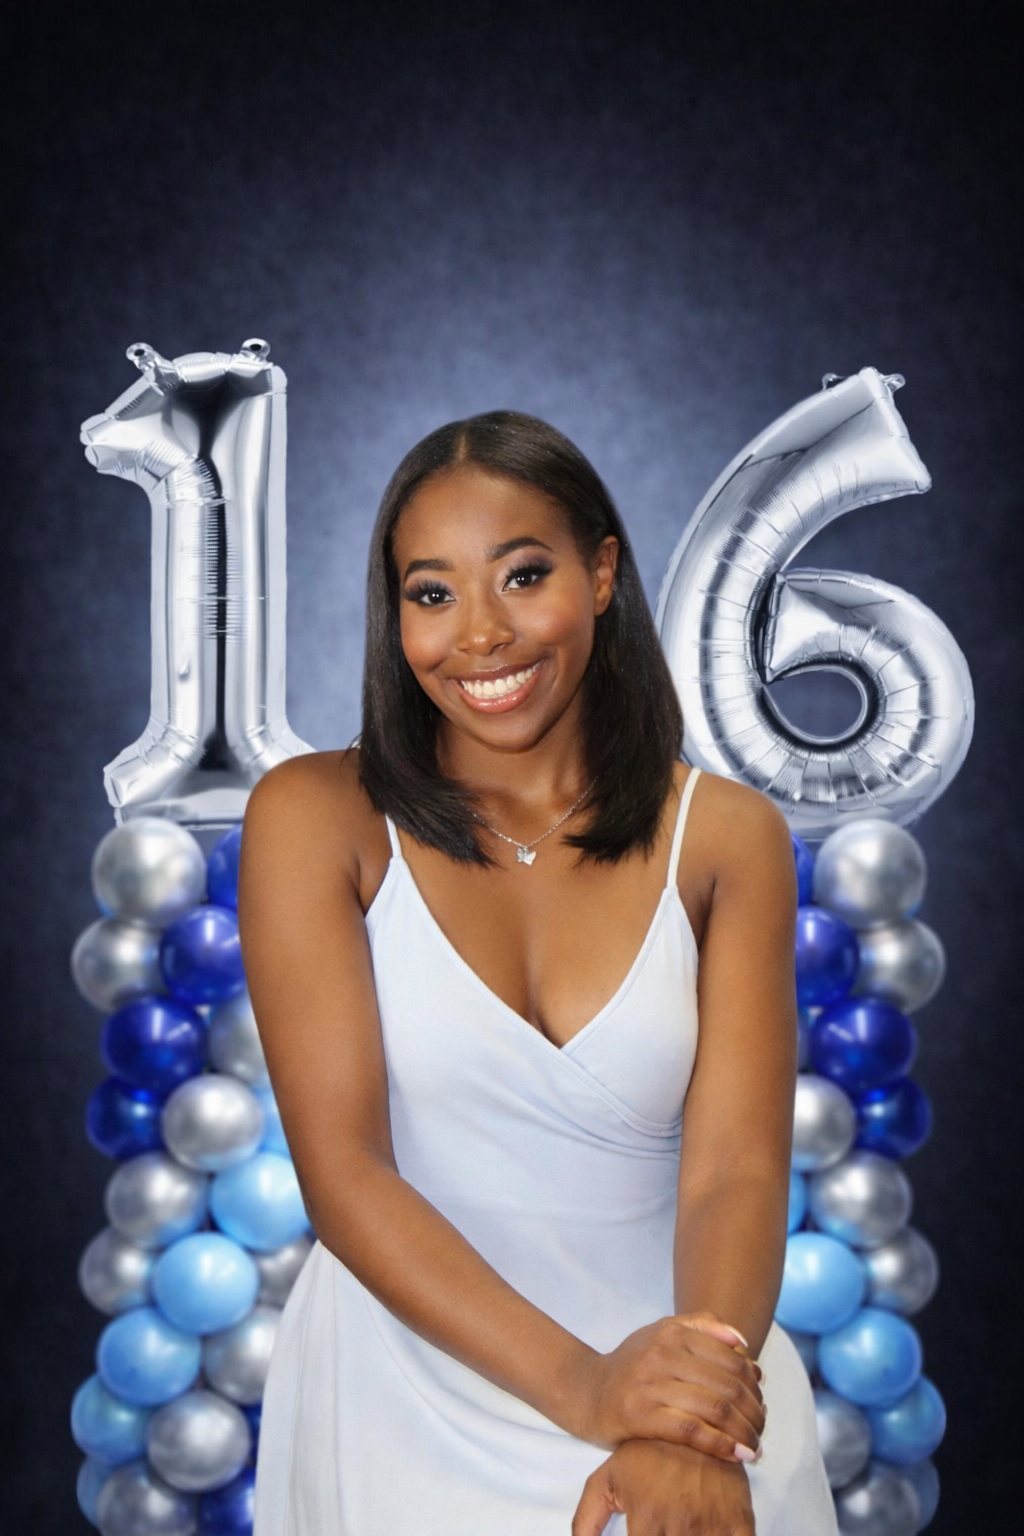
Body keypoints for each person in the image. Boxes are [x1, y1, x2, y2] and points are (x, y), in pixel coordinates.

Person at [241, 410, 838, 1535]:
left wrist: (681, 1417)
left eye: (522, 576)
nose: (480, 635)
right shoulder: (313, 818)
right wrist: (591, 1390)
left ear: (602, 572)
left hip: (695, 1363)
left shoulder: (727, 837)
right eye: (432, 593)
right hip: (408, 1387)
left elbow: (736, 1172)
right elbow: (346, 1177)